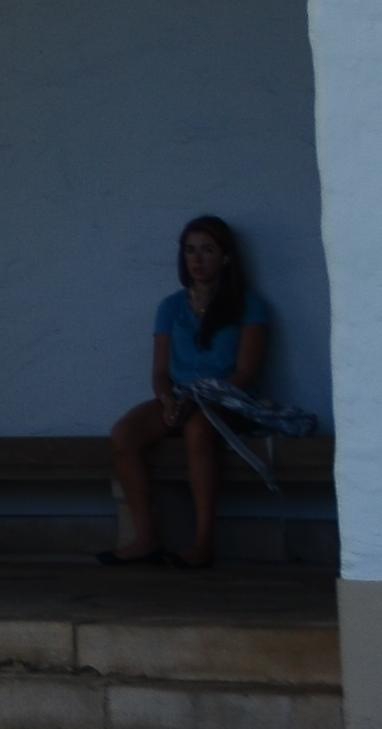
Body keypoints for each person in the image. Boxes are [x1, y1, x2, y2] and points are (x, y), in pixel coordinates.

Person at [106, 216, 269, 569]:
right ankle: (146, 538)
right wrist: (167, 399)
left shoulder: (248, 305)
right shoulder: (170, 307)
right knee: (124, 435)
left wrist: (205, 399)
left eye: (208, 250)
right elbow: (161, 370)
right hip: (180, 397)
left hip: (227, 400)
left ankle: (202, 542)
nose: (197, 260)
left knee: (198, 430)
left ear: (225, 257)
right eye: (190, 250)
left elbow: (246, 372)